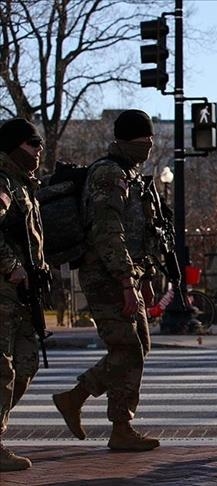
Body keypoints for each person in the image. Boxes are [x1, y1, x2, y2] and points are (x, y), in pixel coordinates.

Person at [52, 109, 162, 452]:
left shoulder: (130, 173)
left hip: (124, 272)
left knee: (137, 346)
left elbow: (134, 233)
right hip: (106, 275)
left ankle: (77, 397)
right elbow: (108, 231)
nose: (149, 145)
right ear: (131, 140)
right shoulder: (109, 174)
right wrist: (127, 281)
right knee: (128, 348)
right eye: (145, 139)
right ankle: (119, 425)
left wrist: (141, 276)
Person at [0, 118, 46, 471]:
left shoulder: (23, 184)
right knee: (3, 369)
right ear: (15, 146)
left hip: (21, 295)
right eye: (33, 144)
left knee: (26, 364)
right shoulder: (2, 181)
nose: (39, 151)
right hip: (4, 291)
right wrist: (11, 265)